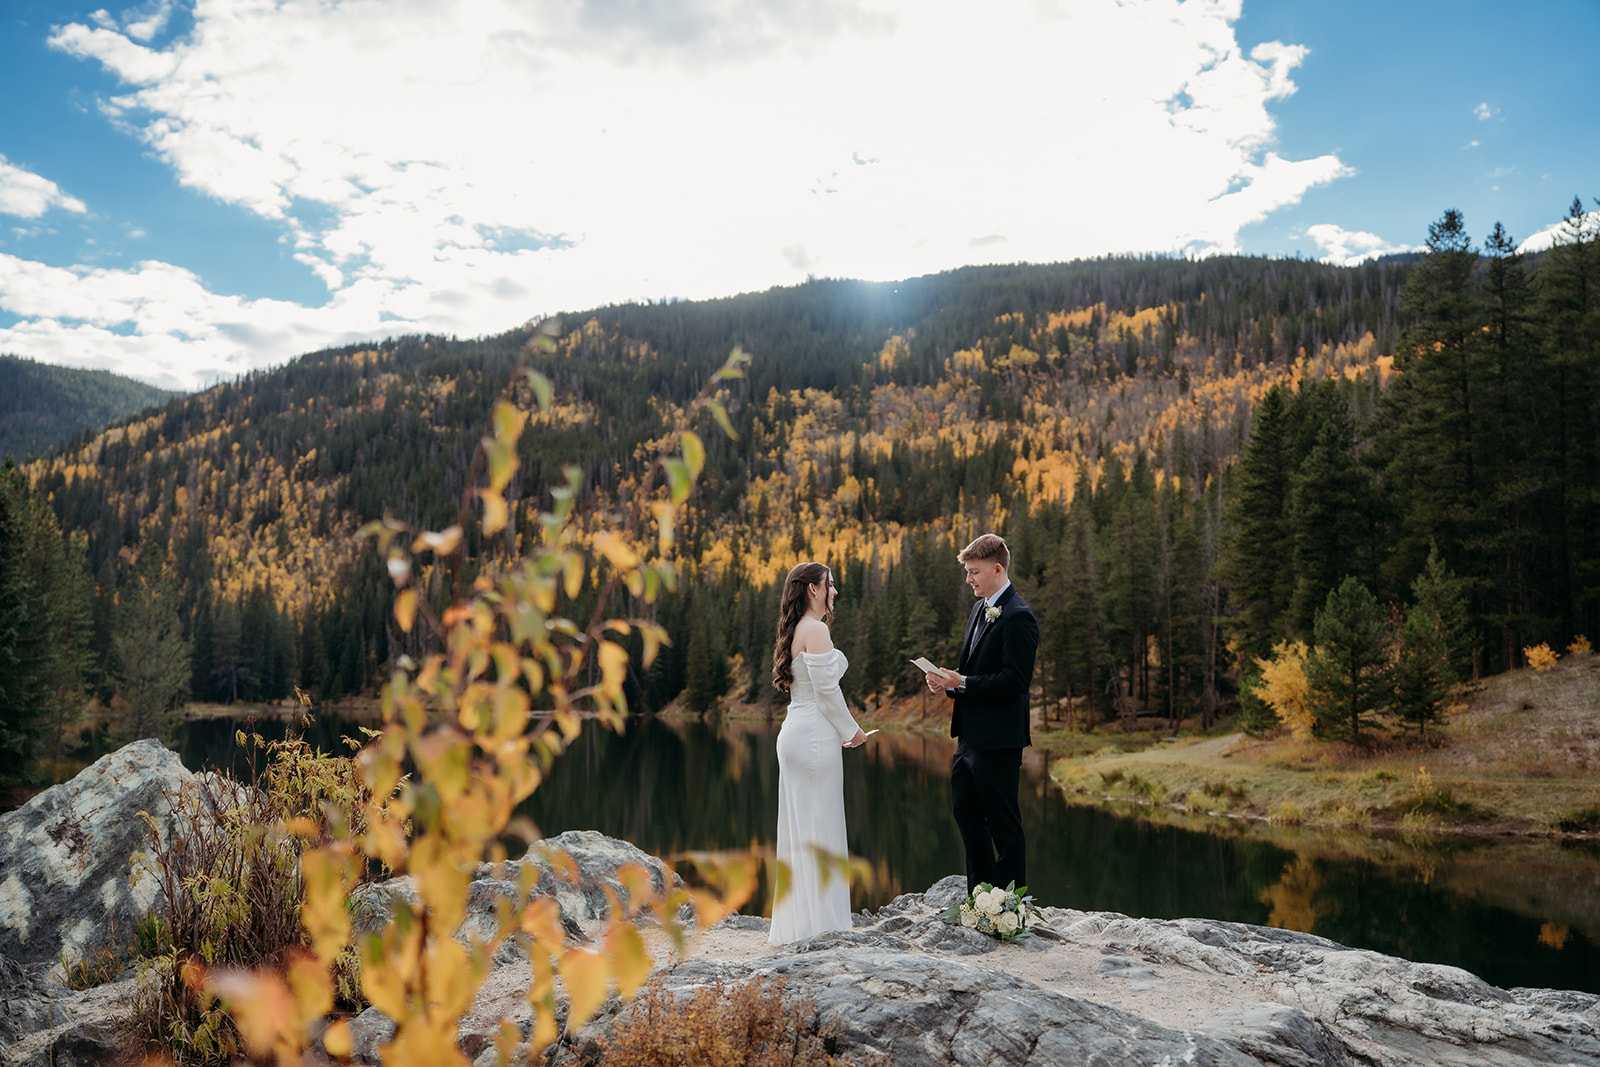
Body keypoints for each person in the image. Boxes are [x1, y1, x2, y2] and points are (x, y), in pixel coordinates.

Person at [924, 533, 1039, 894]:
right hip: (968, 738)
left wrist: (966, 683)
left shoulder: (1020, 617)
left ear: (997, 568)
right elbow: (974, 673)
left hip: (999, 740)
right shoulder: (978, 609)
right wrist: (950, 684)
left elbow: (1015, 682)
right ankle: (980, 899)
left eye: (974, 572)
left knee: (1005, 827)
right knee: (968, 819)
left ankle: (1011, 904)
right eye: (967, 572)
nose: (969, 579)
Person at [769, 561, 870, 944]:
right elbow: (828, 693)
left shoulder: (797, 629)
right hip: (814, 737)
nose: (835, 591)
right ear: (813, 589)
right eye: (831, 584)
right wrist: (854, 732)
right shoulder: (817, 631)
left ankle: (800, 925)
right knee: (822, 826)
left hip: (796, 732)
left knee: (800, 830)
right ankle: (824, 928)